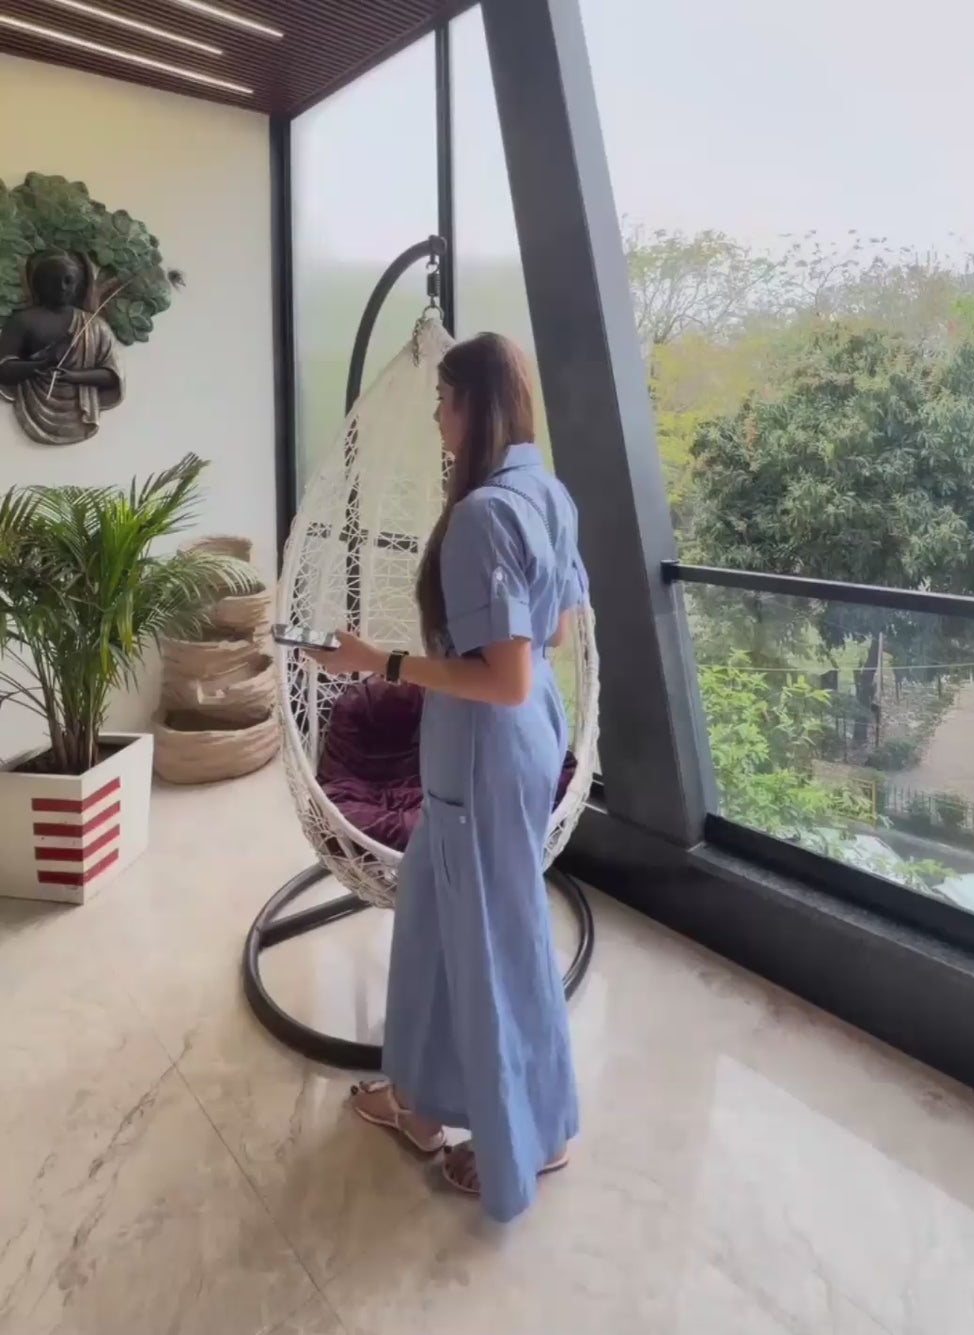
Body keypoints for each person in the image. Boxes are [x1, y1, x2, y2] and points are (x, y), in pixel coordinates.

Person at [306, 332, 588, 1223]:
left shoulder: (481, 517)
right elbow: (550, 634)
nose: (435, 415)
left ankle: (534, 1135)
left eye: (441, 399)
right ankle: (420, 1104)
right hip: (510, 744)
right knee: (434, 923)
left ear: (472, 405)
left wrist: (379, 661)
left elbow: (502, 677)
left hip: (484, 753)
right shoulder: (547, 492)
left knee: (496, 944)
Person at [0, 250, 123, 445]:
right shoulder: (21, 321)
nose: (61, 287)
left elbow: (112, 375)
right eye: (52, 281)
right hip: (34, 405)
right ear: (39, 284)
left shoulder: (95, 326)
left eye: (68, 280)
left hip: (80, 410)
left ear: (78, 284)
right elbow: (4, 368)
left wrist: (74, 376)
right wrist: (40, 364)